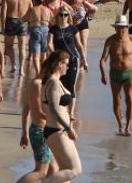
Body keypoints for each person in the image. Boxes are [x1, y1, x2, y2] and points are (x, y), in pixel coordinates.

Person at [17, 53, 61, 183]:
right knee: (41, 172)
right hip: (40, 131)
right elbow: (38, 111)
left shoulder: (35, 83)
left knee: (54, 169)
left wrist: (24, 133)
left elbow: (26, 110)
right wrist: (60, 122)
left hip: (39, 130)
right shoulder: (38, 84)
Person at [41, 48, 82, 182]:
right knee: (75, 170)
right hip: (58, 131)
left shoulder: (55, 81)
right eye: (66, 63)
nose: (68, 67)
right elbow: (53, 108)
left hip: (56, 130)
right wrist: (68, 127)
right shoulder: (53, 82)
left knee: (65, 172)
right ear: (59, 64)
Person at [99, 15, 132, 136]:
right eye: (119, 27)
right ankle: (120, 125)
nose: (121, 30)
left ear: (127, 27)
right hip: (115, 73)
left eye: (123, 28)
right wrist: (103, 74)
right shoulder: (111, 40)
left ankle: (128, 127)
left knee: (130, 99)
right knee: (117, 101)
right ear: (115, 28)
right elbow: (102, 60)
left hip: (129, 73)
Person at [2, 0, 32, 76]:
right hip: (22, 22)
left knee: (9, 46)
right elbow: (31, 10)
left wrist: (3, 26)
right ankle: (21, 70)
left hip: (11, 20)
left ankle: (14, 64)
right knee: (22, 47)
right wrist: (27, 20)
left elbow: (3, 13)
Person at [24, 0, 53, 77]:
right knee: (43, 54)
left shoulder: (33, 9)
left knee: (36, 56)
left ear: (35, 0)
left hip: (35, 30)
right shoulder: (47, 10)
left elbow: (25, 18)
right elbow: (53, 21)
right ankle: (43, 72)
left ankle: (37, 73)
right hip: (45, 30)